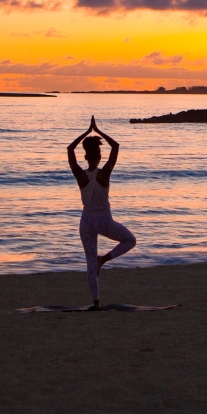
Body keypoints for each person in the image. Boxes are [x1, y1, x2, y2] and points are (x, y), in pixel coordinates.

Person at [67, 116, 136, 309]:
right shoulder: (104, 173)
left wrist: (86, 133)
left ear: (86, 157)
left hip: (87, 222)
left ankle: (96, 303)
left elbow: (69, 150)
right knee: (130, 240)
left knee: (90, 264)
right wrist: (97, 131)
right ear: (99, 157)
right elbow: (115, 147)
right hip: (104, 221)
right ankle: (104, 259)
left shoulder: (80, 175)